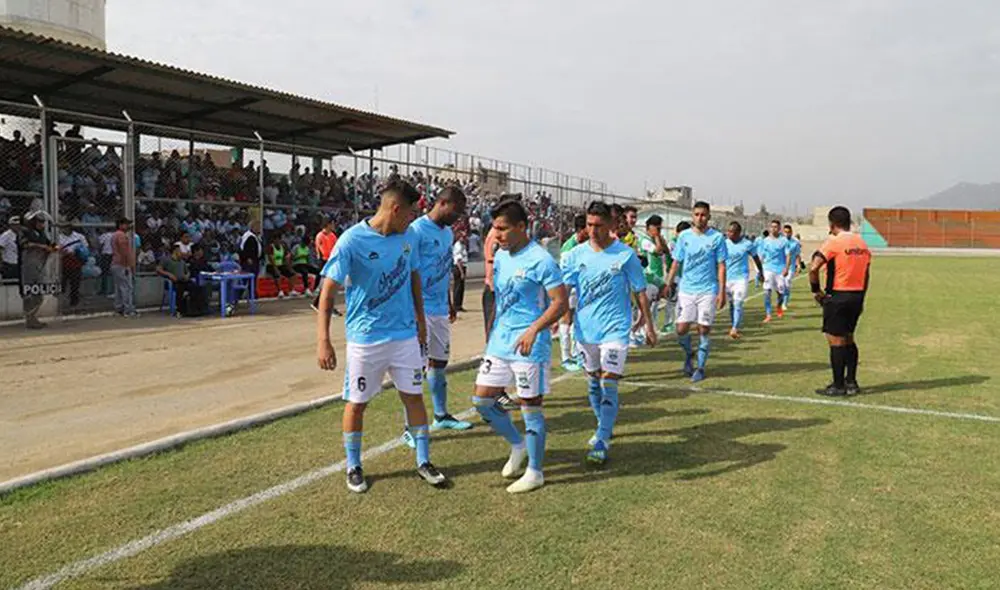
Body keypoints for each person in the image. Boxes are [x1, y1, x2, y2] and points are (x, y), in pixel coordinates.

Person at [315, 179, 447, 494]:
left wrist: (420, 320)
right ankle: (354, 465)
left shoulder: (409, 237)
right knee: (357, 403)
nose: (413, 220)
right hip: (366, 339)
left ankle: (424, 460)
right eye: (410, 213)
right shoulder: (351, 240)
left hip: (404, 336)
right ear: (395, 209)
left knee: (413, 397)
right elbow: (327, 292)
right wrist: (324, 340)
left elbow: (413, 276)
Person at [474, 199, 567, 494]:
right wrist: (492, 332)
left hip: (530, 345)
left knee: (531, 406)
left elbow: (560, 302)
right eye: (494, 228)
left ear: (521, 227)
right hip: (500, 341)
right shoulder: (501, 256)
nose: (497, 235)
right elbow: (500, 299)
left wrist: (534, 329)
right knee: (482, 400)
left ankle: (535, 472)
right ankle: (518, 444)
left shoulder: (541, 260)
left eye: (502, 229)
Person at [561, 201, 655, 464]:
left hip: (616, 328)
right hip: (586, 330)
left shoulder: (625, 255)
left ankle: (602, 440)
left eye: (599, 225)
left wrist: (648, 324)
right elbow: (563, 292)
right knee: (593, 380)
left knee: (609, 381)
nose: (593, 230)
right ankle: (603, 423)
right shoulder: (575, 255)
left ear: (611, 225)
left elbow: (640, 291)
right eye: (589, 224)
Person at [399, 185, 471, 449]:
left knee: (439, 362)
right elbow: (408, 271)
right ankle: (409, 427)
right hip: (420, 309)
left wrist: (450, 302)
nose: (458, 217)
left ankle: (441, 416)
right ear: (442, 203)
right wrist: (413, 311)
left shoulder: (448, 232)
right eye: (456, 211)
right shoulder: (416, 230)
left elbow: (445, 269)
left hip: (440, 309)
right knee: (415, 367)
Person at [809, 206, 872, 397]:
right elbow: (866, 272)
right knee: (849, 337)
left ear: (831, 224)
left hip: (837, 295)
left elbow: (813, 267)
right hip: (857, 295)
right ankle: (851, 382)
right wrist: (862, 295)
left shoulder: (834, 242)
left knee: (836, 340)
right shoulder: (861, 243)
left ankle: (838, 385)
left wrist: (816, 291)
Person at [665, 202, 727, 382]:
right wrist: (668, 283)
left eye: (703, 215)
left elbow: (721, 266)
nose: (700, 218)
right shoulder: (684, 236)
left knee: (704, 329)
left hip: (708, 290)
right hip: (686, 289)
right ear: (692, 216)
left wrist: (722, 291)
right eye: (697, 214)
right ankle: (689, 353)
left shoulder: (717, 238)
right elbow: (676, 262)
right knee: (681, 329)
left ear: (709, 217)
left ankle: (700, 368)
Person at [558, 213, 589, 371]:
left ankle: (576, 353)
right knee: (566, 319)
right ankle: (565, 356)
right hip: (569, 288)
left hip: (581, 288)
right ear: (580, 229)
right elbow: (565, 272)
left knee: (578, 321)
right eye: (588, 227)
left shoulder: (586, 245)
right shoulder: (569, 248)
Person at [18, 211, 58, 329]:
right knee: (29, 292)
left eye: (43, 222)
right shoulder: (24, 231)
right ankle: (29, 319)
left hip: (40, 265)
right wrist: (42, 247)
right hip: (28, 265)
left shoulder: (41, 233)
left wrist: (55, 248)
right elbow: (24, 245)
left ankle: (32, 317)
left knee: (39, 294)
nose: (42, 224)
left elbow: (50, 244)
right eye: (40, 222)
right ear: (33, 222)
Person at [724, 221, 764, 339]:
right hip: (727, 278)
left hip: (741, 278)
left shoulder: (747, 244)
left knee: (738, 303)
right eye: (728, 231)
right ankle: (734, 324)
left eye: (731, 232)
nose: (729, 233)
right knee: (731, 304)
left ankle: (734, 328)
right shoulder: (724, 243)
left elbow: (756, 258)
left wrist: (761, 272)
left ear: (738, 233)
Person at [635, 215, 670, 344]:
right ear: (649, 227)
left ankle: (650, 330)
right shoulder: (645, 240)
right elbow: (658, 250)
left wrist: (660, 238)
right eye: (657, 228)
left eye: (660, 228)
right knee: (645, 306)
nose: (659, 230)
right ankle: (639, 332)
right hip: (648, 276)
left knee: (654, 305)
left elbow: (666, 251)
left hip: (657, 276)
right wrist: (657, 238)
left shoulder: (656, 239)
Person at [758, 220, 789, 322]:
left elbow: (788, 255)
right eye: (772, 227)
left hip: (780, 270)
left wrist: (786, 268)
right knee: (767, 292)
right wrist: (760, 271)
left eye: (776, 227)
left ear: (779, 228)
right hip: (767, 268)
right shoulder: (765, 241)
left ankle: (779, 307)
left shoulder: (784, 241)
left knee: (780, 293)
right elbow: (761, 256)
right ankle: (768, 314)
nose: (773, 229)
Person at [312, 218, 342, 315]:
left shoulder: (332, 235)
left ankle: (319, 303)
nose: (333, 226)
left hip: (332, 261)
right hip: (325, 261)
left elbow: (337, 247)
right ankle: (322, 304)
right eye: (332, 224)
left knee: (330, 285)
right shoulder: (320, 236)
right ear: (328, 225)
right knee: (327, 284)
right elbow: (321, 251)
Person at [157, 243, 195, 316]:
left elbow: (188, 272)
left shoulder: (182, 261)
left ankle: (193, 309)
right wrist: (169, 274)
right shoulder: (166, 259)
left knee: (195, 286)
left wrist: (187, 275)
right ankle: (180, 310)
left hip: (184, 280)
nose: (181, 252)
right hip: (174, 281)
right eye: (180, 251)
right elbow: (158, 269)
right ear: (175, 251)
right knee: (180, 288)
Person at [111, 218, 138, 318]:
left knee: (119, 288)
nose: (128, 226)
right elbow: (124, 252)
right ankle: (128, 310)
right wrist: (128, 265)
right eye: (126, 224)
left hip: (116, 263)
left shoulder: (115, 235)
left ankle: (119, 309)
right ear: (120, 225)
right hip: (122, 264)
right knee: (127, 287)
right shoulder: (121, 235)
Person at [58, 223, 88, 308]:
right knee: (61, 283)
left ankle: (74, 302)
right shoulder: (59, 237)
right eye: (63, 227)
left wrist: (77, 251)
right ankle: (60, 302)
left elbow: (85, 247)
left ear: (70, 228)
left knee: (75, 284)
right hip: (63, 261)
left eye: (65, 227)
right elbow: (55, 247)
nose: (63, 229)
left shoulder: (79, 236)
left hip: (75, 261)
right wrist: (61, 251)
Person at [266, 232, 296, 298]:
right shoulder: (271, 247)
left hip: (280, 265)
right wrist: (276, 269)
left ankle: (291, 290)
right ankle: (280, 291)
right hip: (271, 265)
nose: (277, 241)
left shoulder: (283, 246)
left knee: (292, 274)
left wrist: (288, 267)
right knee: (277, 275)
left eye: (279, 239)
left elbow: (286, 257)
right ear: (273, 240)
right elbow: (271, 259)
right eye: (276, 240)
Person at [781, 224, 803, 310]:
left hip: (790, 267)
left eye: (788, 232)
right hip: (779, 266)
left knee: (787, 284)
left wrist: (799, 265)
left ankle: (784, 303)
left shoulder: (795, 243)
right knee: (781, 285)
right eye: (785, 232)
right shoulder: (780, 241)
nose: (787, 234)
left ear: (791, 232)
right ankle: (781, 300)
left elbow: (798, 255)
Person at [0, 216, 21, 280]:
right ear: (11, 225)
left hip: (20, 264)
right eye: (15, 225)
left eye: (18, 224)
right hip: (9, 264)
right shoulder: (6, 235)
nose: (17, 226)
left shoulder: (21, 234)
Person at [451, 234, 468, 312]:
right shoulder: (458, 246)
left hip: (462, 266)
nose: (464, 238)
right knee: (458, 287)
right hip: (459, 267)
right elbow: (458, 260)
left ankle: (459, 305)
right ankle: (456, 305)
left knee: (461, 287)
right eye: (463, 237)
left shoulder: (462, 245)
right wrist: (461, 272)